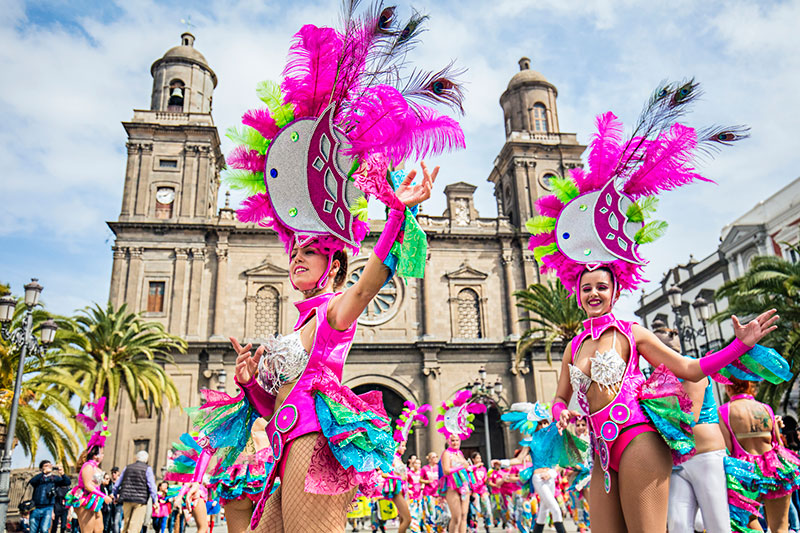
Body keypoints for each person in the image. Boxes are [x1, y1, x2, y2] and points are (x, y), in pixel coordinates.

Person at [186, 3, 464, 530]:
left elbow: (376, 274)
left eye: (308, 250)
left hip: (316, 448)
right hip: (287, 445)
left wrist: (398, 211)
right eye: (294, 249)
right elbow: (276, 409)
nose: (295, 255)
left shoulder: (338, 309)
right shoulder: (300, 321)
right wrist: (250, 384)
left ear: (334, 262)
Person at [520, 79, 781, 530]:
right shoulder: (572, 347)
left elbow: (692, 370)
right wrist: (558, 417)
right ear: (577, 293)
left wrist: (739, 346)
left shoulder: (631, 334)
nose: (594, 294)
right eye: (587, 289)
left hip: (638, 437)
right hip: (599, 451)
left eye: (601, 287)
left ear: (615, 290)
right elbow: (562, 398)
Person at [720, 376, 800, 533]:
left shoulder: (724, 411)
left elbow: (728, 448)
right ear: (750, 386)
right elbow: (777, 443)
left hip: (747, 473)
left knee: (749, 522)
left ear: (728, 388)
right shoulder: (765, 408)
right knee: (781, 527)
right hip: (774, 468)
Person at [65, 397, 114, 533]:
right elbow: (87, 485)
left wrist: (106, 494)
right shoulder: (88, 466)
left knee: (99, 529)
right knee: (87, 530)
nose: (103, 454)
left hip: (95, 500)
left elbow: (98, 483)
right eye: (101, 452)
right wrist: (104, 496)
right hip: (85, 499)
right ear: (95, 454)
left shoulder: (96, 467)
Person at [114, 450, 158, 533]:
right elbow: (152, 486)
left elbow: (117, 483)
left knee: (126, 525)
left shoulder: (127, 467)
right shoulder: (147, 469)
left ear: (136, 458)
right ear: (146, 459)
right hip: (140, 501)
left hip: (126, 499)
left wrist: (115, 495)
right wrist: (155, 501)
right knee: (134, 526)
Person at [28, 460, 71, 533]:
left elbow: (67, 482)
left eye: (50, 465)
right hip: (35, 507)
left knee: (44, 529)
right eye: (46, 466)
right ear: (41, 469)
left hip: (48, 507)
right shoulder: (39, 478)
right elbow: (32, 482)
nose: (48, 467)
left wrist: (62, 474)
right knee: (33, 530)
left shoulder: (54, 478)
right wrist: (43, 473)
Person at [468, 452, 491, 533]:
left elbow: (485, 480)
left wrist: (488, 479)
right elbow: (470, 479)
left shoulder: (483, 469)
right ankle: (475, 526)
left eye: (480, 458)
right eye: (477, 458)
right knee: (476, 509)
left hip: (483, 490)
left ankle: (487, 524)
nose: (479, 460)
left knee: (487, 508)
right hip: (475, 491)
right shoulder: (471, 469)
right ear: (473, 460)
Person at [49, 464, 70, 533]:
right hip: (56, 508)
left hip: (64, 508)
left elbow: (67, 481)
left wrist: (62, 473)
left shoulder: (66, 486)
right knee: (54, 526)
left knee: (63, 526)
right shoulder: (55, 485)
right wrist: (52, 512)